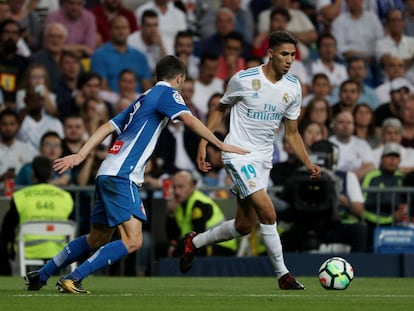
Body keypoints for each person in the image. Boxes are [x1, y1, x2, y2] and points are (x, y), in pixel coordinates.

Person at [24, 55, 248, 294]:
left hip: (106, 173)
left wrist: (80, 154)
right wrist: (219, 143)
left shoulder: (142, 99)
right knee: (133, 240)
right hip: (122, 176)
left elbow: (106, 127)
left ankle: (42, 274)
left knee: (96, 238)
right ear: (180, 78)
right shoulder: (168, 94)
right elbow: (189, 120)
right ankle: (74, 278)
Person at [180, 31, 321, 290]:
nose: (289, 60)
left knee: (245, 225)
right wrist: (204, 141)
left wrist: (307, 162)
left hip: (263, 158)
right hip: (237, 152)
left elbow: (292, 133)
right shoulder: (244, 79)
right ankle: (283, 275)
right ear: (271, 53)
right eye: (283, 54)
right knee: (268, 212)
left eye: (292, 54)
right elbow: (220, 108)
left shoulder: (293, 87)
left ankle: (194, 243)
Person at [0, 155, 74, 275]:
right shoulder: (66, 197)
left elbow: (7, 229)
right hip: (58, 252)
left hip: (27, 251)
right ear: (51, 174)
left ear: (32, 174)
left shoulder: (20, 196)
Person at [163, 170, 237, 258]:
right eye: (174, 187)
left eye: (180, 187)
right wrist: (171, 214)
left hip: (222, 245)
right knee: (162, 248)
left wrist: (176, 246)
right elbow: (173, 234)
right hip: (200, 242)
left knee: (185, 249)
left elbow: (198, 234)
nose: (176, 192)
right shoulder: (178, 204)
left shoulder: (200, 203)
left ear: (192, 186)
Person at [361, 142, 406, 251]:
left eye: (395, 157)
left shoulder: (402, 178)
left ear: (399, 160)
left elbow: (406, 201)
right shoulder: (371, 176)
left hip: (395, 222)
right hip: (372, 221)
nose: (392, 160)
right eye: (389, 156)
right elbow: (363, 200)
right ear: (382, 159)